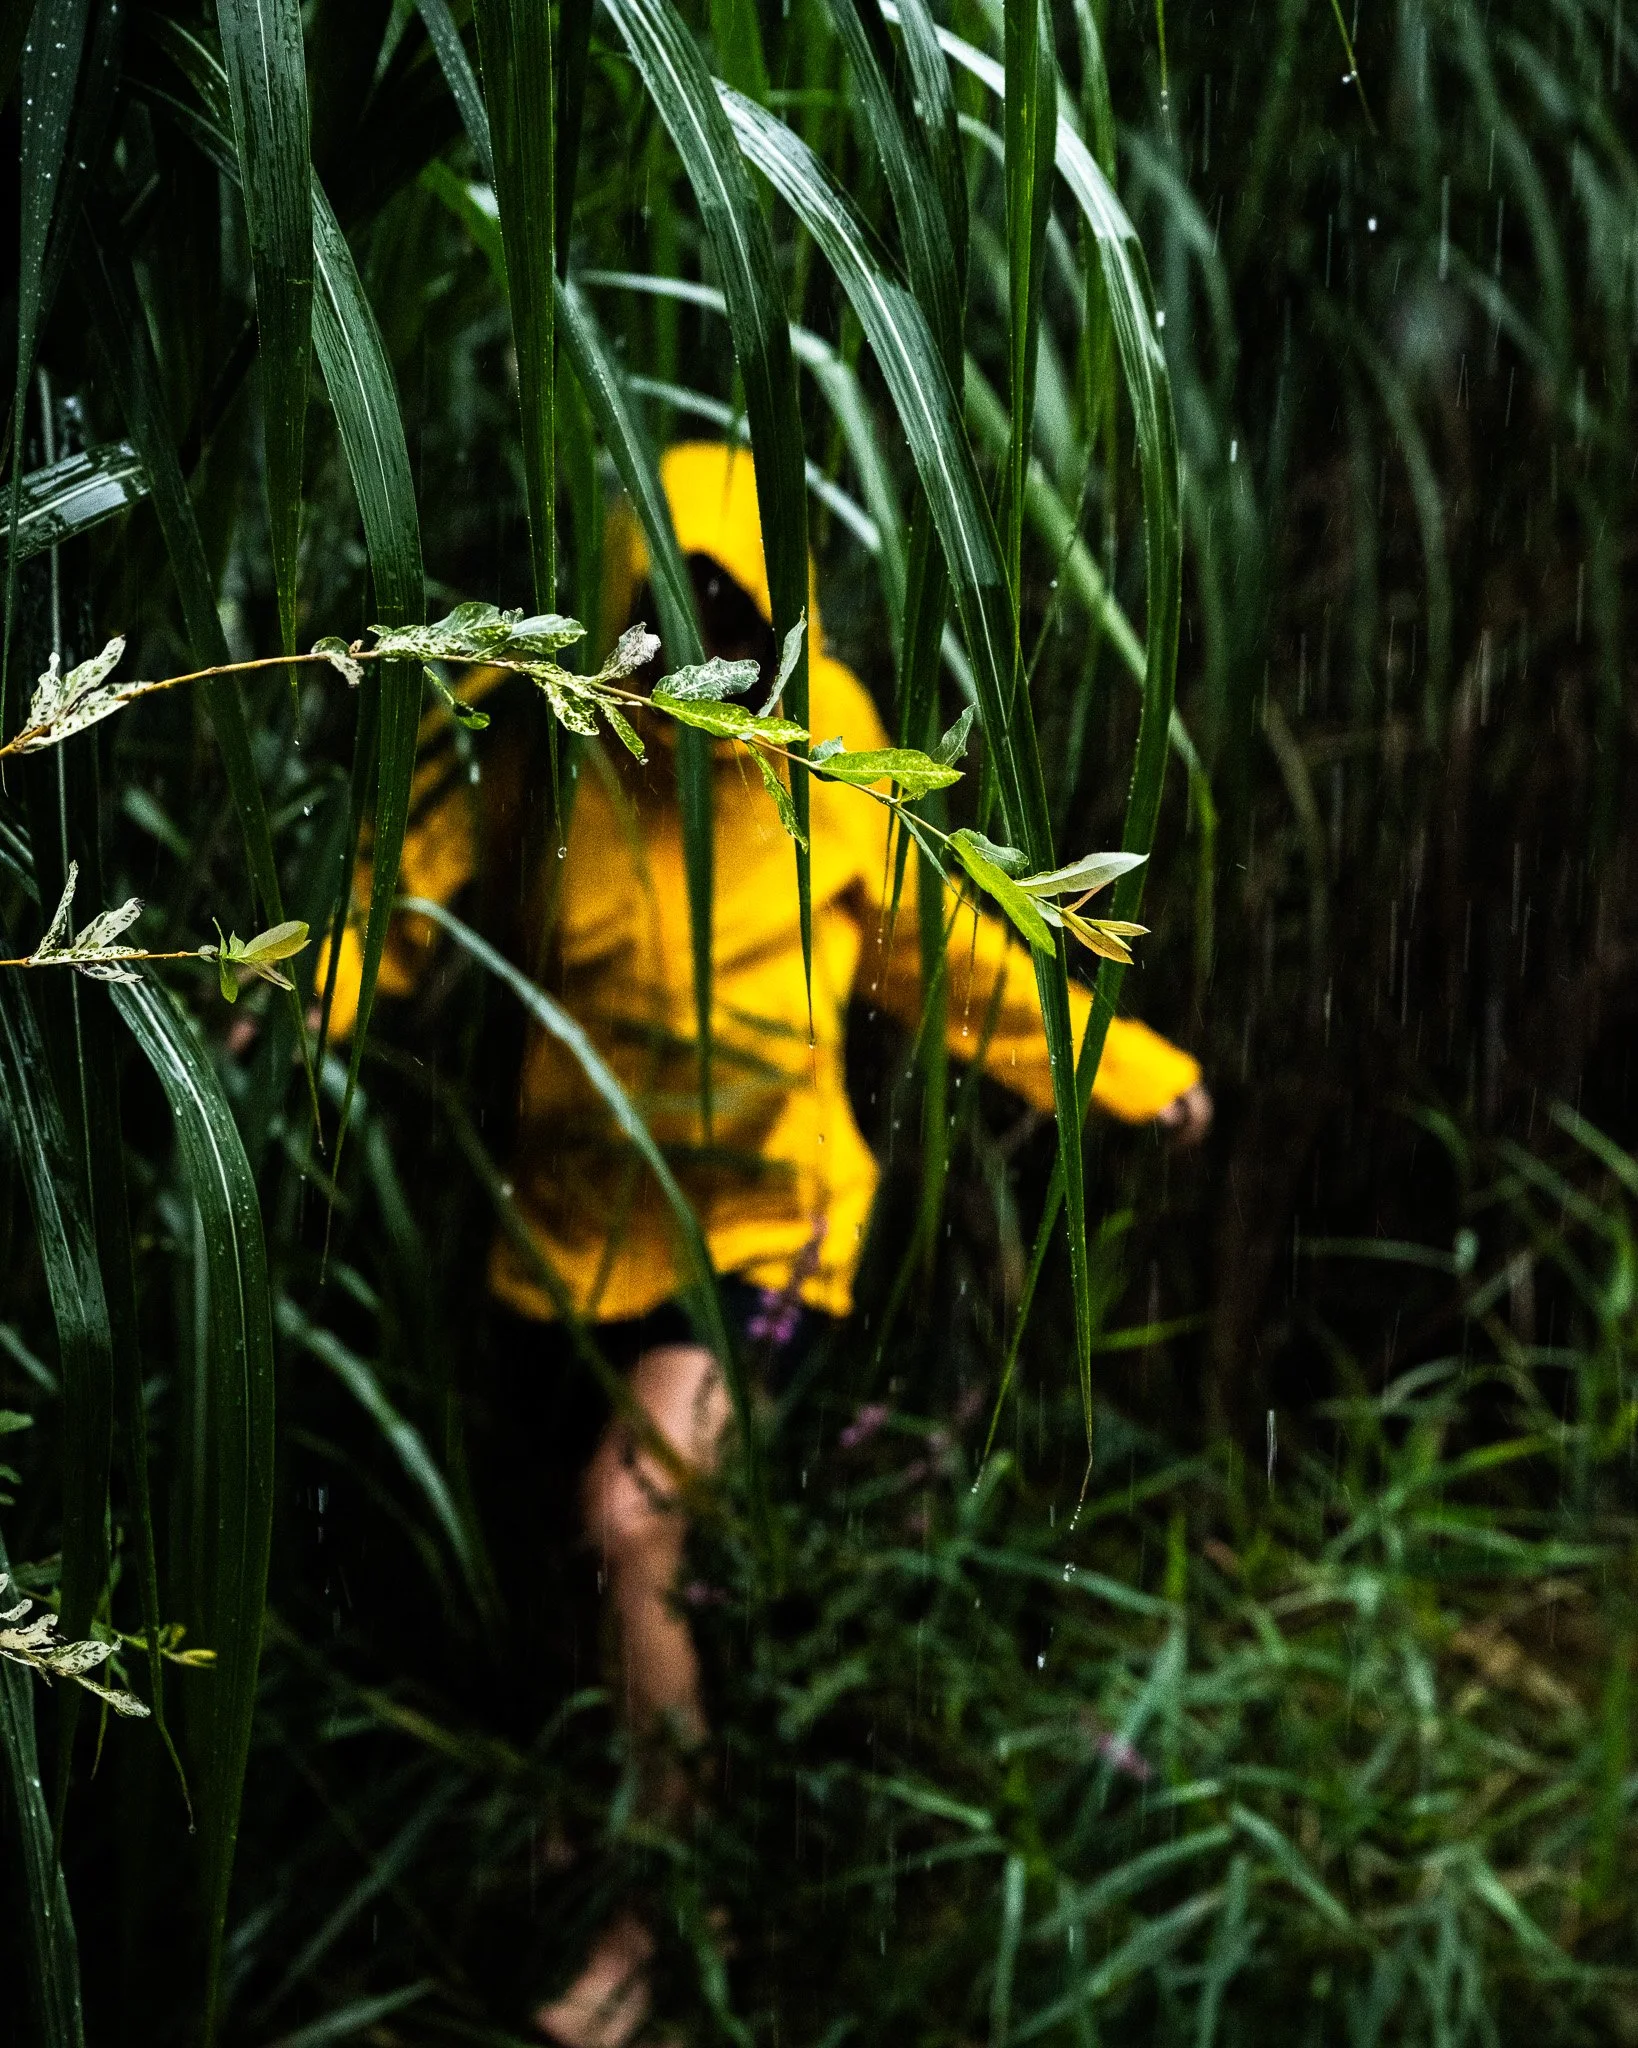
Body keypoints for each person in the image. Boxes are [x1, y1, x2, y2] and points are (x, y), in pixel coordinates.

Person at [325, 443, 1210, 2045]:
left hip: (766, 1221)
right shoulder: (531, 739)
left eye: (730, 623)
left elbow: (931, 957)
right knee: (570, 1567)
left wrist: (1117, 1071)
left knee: (635, 1512)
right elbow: (393, 907)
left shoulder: (825, 747)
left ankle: (672, 1915)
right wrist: (242, 999)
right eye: (660, 621)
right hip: (567, 1238)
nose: (690, 661)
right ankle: (593, 1817)